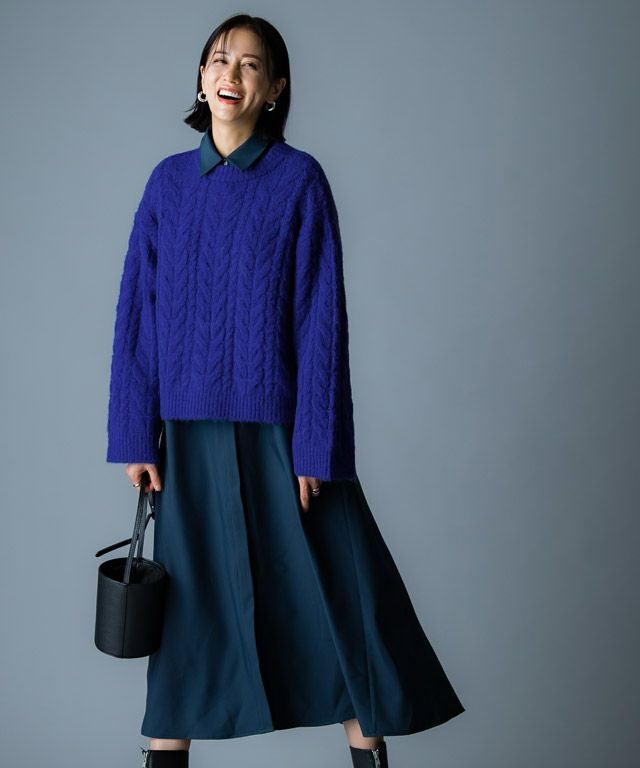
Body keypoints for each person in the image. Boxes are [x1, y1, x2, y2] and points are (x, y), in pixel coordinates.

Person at [105, 13, 465, 768]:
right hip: (187, 438)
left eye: (250, 64)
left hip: (283, 434)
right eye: (218, 59)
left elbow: (320, 320)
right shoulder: (167, 184)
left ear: (275, 88)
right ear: (201, 78)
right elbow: (138, 313)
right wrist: (136, 433)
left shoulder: (298, 180)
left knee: (337, 607)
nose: (230, 74)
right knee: (189, 620)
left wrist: (316, 445)